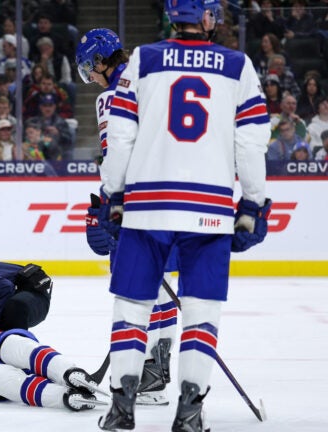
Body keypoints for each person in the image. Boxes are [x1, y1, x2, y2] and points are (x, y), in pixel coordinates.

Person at [97, 2, 272, 431]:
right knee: (202, 313)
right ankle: (190, 414)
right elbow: (251, 143)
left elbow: (120, 134)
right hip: (209, 208)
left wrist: (113, 194)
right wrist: (252, 202)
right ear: (208, 17)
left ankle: (121, 412)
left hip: (145, 206)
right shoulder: (238, 65)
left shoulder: (144, 59)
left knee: (132, 309)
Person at [75, 27, 178, 406]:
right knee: (163, 286)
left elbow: (115, 157)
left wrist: (107, 204)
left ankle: (139, 374)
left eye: (90, 67)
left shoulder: (111, 96)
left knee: (134, 293)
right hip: (174, 196)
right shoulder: (152, 77)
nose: (90, 75)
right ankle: (156, 376)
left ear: (101, 61)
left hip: (136, 204)